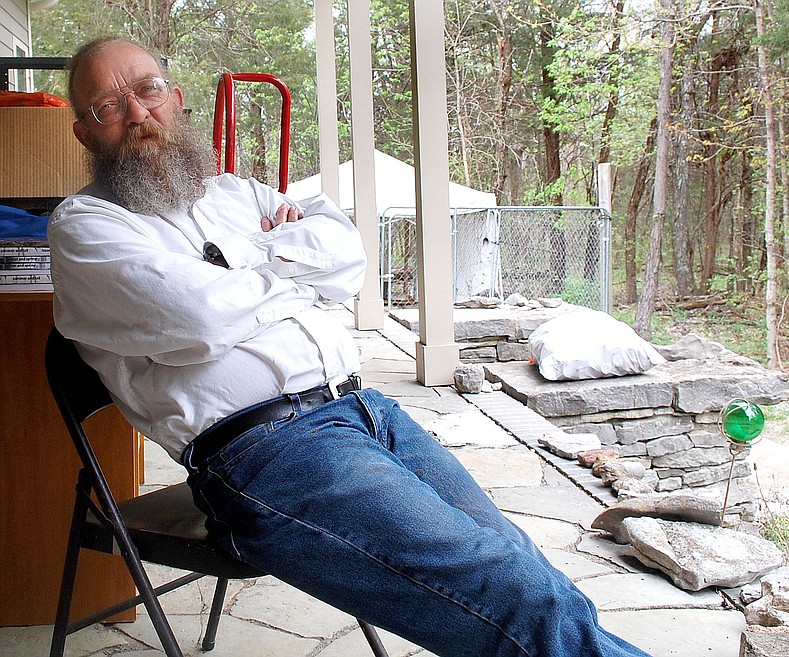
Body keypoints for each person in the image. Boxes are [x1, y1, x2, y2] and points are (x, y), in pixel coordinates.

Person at [49, 37, 652, 657]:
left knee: (527, 571)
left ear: (175, 100)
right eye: (108, 105)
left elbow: (347, 258)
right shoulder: (86, 227)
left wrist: (237, 270)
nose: (138, 113)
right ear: (85, 134)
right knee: (517, 598)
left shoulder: (232, 194)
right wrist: (287, 269)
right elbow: (199, 316)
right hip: (265, 454)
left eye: (147, 90)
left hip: (365, 413)